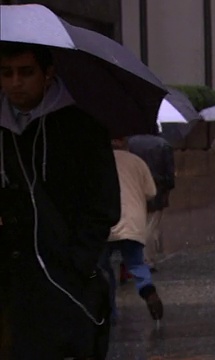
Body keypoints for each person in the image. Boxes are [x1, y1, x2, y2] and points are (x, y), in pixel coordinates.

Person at [0, 42, 119, 359]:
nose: (15, 82)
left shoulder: (82, 129)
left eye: (25, 72)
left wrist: (76, 262)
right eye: (6, 73)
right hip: (10, 283)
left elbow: (104, 204)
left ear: (47, 74)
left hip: (64, 282)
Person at [101, 138, 163, 321]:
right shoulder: (137, 161)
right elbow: (151, 192)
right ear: (125, 143)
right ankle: (148, 291)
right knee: (136, 263)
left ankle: (109, 312)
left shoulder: (101, 161)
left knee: (103, 267)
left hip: (107, 221)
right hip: (133, 222)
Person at [128, 134, 176, 271]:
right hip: (158, 190)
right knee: (151, 224)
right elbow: (169, 174)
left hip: (136, 188)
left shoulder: (131, 143)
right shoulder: (164, 144)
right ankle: (146, 259)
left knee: (142, 223)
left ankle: (142, 256)